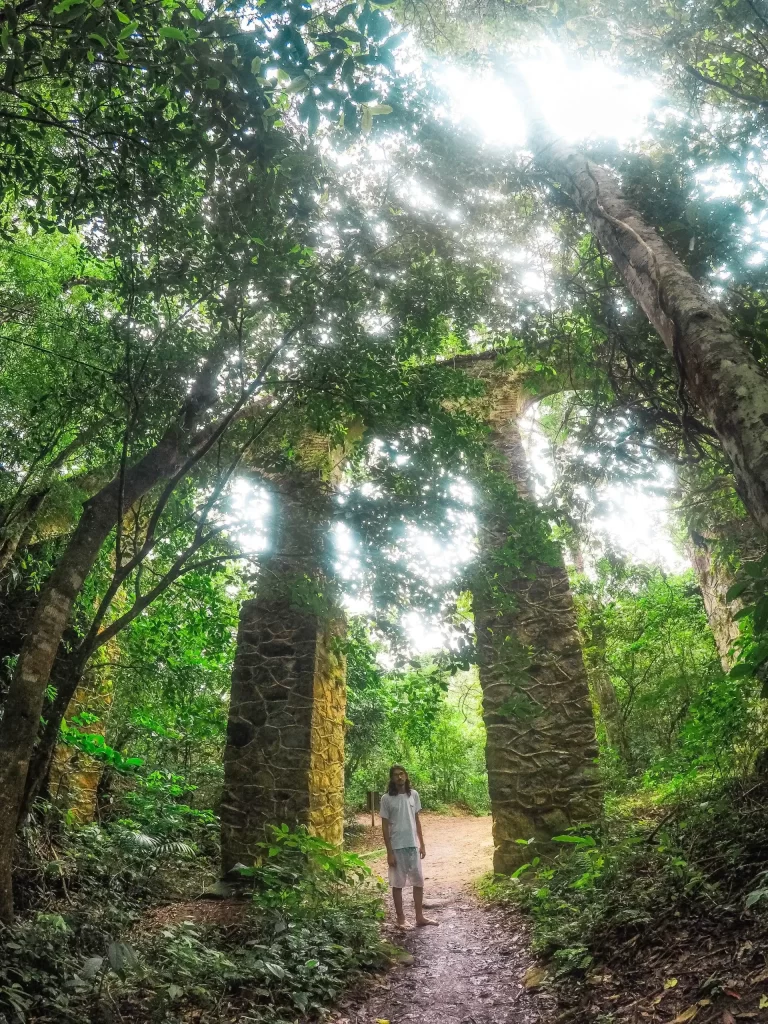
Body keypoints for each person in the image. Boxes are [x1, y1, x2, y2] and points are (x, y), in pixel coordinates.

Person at [380, 764, 437, 928]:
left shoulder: (414, 795)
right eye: (396, 775)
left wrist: (422, 844)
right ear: (391, 778)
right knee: (397, 884)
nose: (399, 777)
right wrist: (389, 852)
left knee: (418, 882)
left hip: (413, 845)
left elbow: (417, 821)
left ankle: (420, 917)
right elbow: (384, 827)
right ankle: (401, 919)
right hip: (397, 846)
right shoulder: (386, 799)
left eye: (402, 774)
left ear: (406, 776)